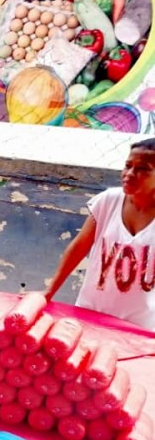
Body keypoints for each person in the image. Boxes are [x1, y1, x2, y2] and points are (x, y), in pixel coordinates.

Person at [44, 138, 155, 330]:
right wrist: (48, 292)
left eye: (143, 169)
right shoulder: (108, 201)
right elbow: (79, 247)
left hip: (140, 326)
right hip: (90, 313)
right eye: (128, 166)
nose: (129, 174)